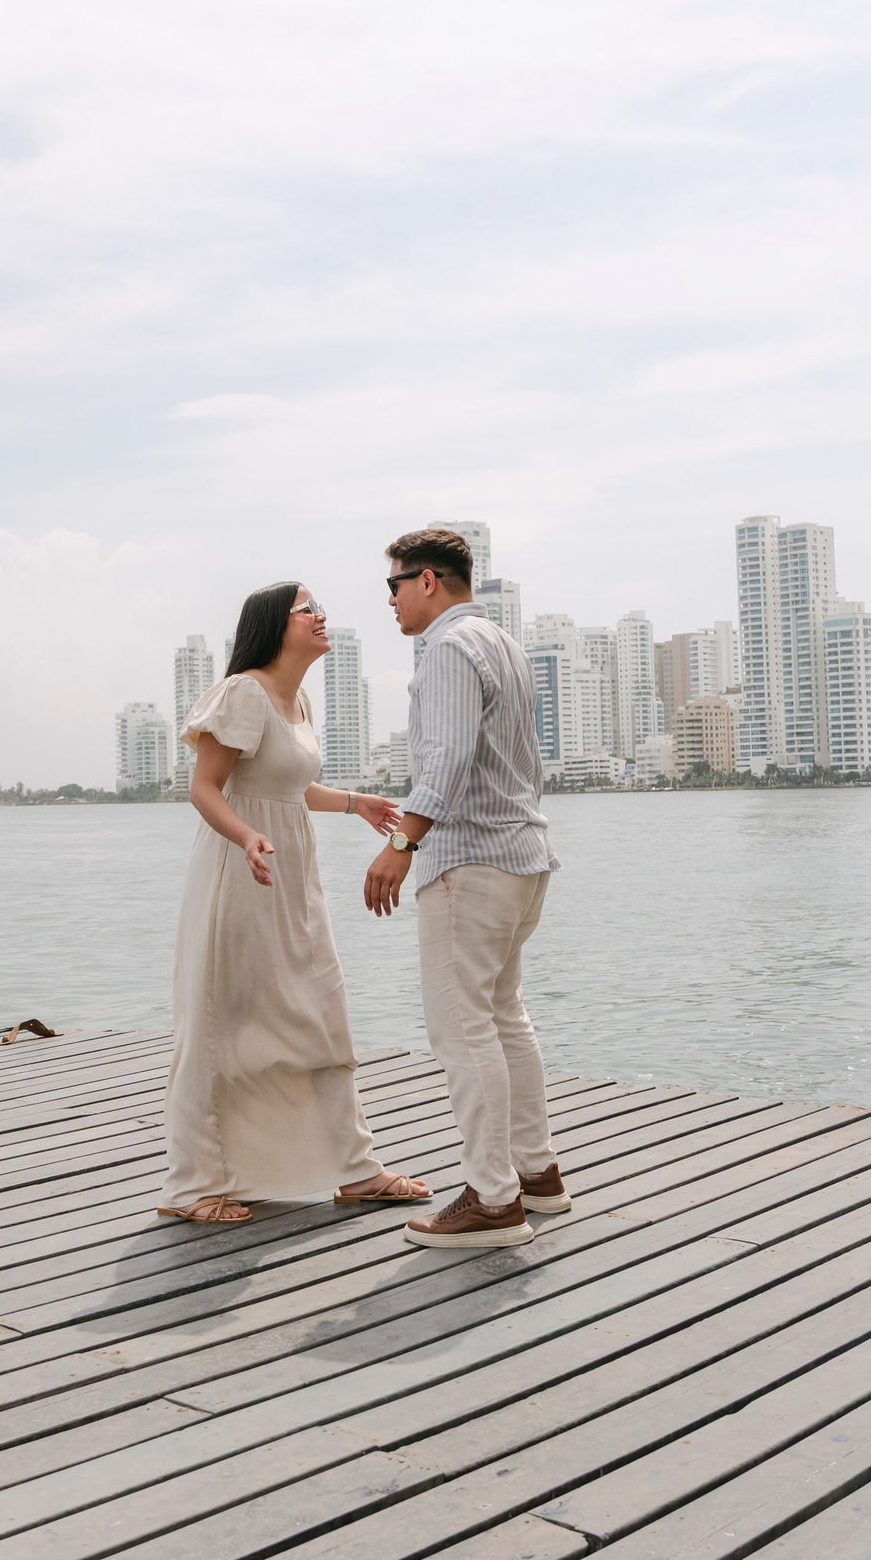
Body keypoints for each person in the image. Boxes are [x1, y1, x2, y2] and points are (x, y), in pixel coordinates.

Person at [157, 581, 434, 1224]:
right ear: (272, 626)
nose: (321, 615)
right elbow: (205, 788)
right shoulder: (243, 692)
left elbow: (285, 785)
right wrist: (248, 836)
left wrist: (352, 801)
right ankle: (193, 1184)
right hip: (239, 871)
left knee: (318, 1010)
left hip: (292, 874)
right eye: (307, 608)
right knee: (223, 1020)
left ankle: (356, 1170)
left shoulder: (299, 698)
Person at [365, 529, 567, 1249]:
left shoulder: (449, 648)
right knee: (504, 1015)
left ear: (428, 581)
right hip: (522, 853)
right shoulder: (503, 643)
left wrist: (399, 845)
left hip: (470, 861)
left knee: (462, 1027)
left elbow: (446, 758)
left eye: (393, 586)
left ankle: (491, 1196)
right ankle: (535, 1172)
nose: (388, 601)